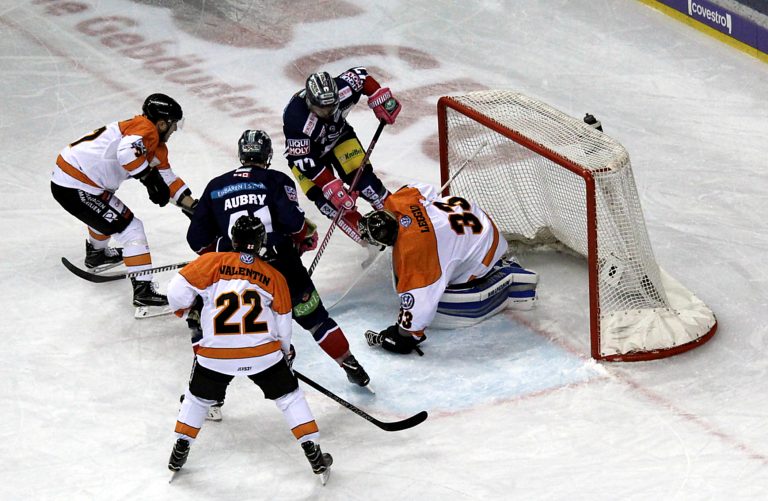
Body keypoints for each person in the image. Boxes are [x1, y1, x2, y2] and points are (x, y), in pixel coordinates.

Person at [186, 129, 371, 393]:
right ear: (267, 155)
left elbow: (196, 240)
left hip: (234, 271)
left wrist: (223, 249)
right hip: (280, 264)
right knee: (316, 319)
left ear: (241, 154)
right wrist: (302, 237)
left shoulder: (216, 186)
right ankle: (348, 362)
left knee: (215, 330)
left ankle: (212, 397)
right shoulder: (276, 179)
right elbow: (294, 224)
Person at [166, 215, 332, 480]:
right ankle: (312, 450)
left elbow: (175, 292)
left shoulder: (211, 262)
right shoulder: (273, 275)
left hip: (214, 356)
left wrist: (186, 307)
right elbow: (283, 324)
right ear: (261, 241)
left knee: (197, 398)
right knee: (289, 398)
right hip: (263, 356)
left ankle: (180, 448)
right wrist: (285, 353)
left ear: (233, 239)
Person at [51, 93, 197, 308]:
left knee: (107, 215)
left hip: (77, 182)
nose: (174, 129)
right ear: (162, 122)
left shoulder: (153, 143)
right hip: (74, 185)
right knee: (132, 229)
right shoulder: (145, 129)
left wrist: (193, 206)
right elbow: (127, 154)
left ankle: (97, 255)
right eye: (173, 124)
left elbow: (167, 181)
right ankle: (143, 292)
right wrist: (148, 178)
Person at [360, 183, 539, 355]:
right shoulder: (399, 201)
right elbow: (426, 189)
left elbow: (414, 323)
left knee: (438, 280)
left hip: (486, 248)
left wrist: (398, 337)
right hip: (469, 214)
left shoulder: (416, 259)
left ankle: (500, 269)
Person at [282, 67, 402, 244]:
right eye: (322, 109)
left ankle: (402, 218)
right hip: (308, 157)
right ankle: (370, 242)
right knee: (331, 204)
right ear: (310, 102)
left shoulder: (343, 88)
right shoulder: (295, 117)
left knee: (366, 183)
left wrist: (379, 97)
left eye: (332, 106)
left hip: (339, 138)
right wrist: (330, 186)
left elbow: (361, 76)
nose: (328, 112)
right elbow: (304, 161)